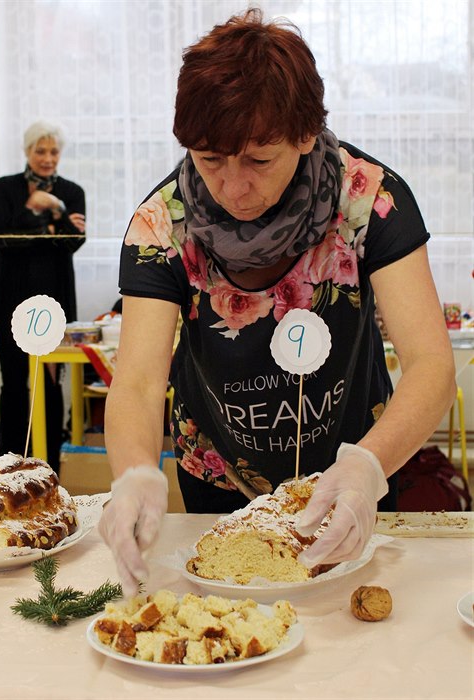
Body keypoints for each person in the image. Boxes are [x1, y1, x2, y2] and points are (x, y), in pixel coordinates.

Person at [98, 9, 456, 597]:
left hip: (352, 467)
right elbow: (136, 381)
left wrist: (367, 468)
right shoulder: (162, 223)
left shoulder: (369, 199)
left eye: (259, 160)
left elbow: (430, 364)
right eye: (210, 159)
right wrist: (135, 471)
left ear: (305, 133)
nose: (233, 187)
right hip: (218, 472)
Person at [0, 120, 86, 470]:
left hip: (53, 301)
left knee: (48, 381)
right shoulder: (5, 188)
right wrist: (37, 211)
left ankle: (49, 466)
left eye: (54, 151)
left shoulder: (72, 192)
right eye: (40, 151)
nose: (47, 158)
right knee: (14, 382)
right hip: (9, 300)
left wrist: (54, 205)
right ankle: (8, 466)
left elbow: (73, 242)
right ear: (27, 152)